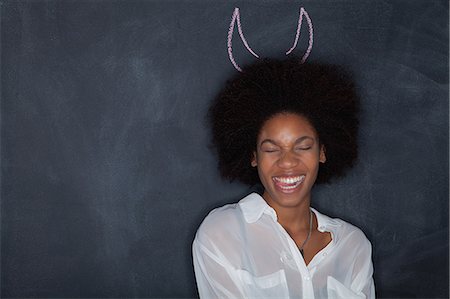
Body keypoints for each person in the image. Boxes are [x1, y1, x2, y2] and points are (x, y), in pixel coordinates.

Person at [192, 57, 375, 298]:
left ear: (322, 152)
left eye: (303, 146)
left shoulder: (353, 246)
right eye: (271, 149)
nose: (287, 161)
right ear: (253, 156)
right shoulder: (222, 234)